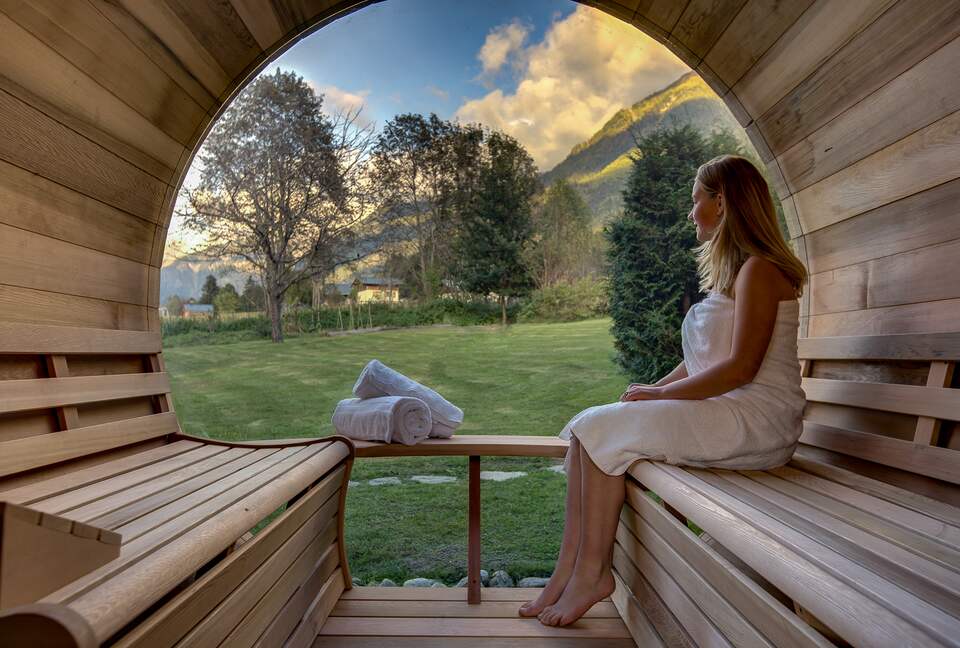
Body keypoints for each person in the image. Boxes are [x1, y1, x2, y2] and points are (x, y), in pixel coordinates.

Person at [519, 154, 808, 627]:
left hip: (757, 419)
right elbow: (705, 360)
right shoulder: (739, 273)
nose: (691, 211)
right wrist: (656, 387)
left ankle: (592, 574)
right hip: (729, 410)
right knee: (586, 435)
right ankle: (566, 574)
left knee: (599, 429)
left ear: (723, 201)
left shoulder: (760, 270)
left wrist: (661, 398)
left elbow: (740, 368)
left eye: (696, 200)